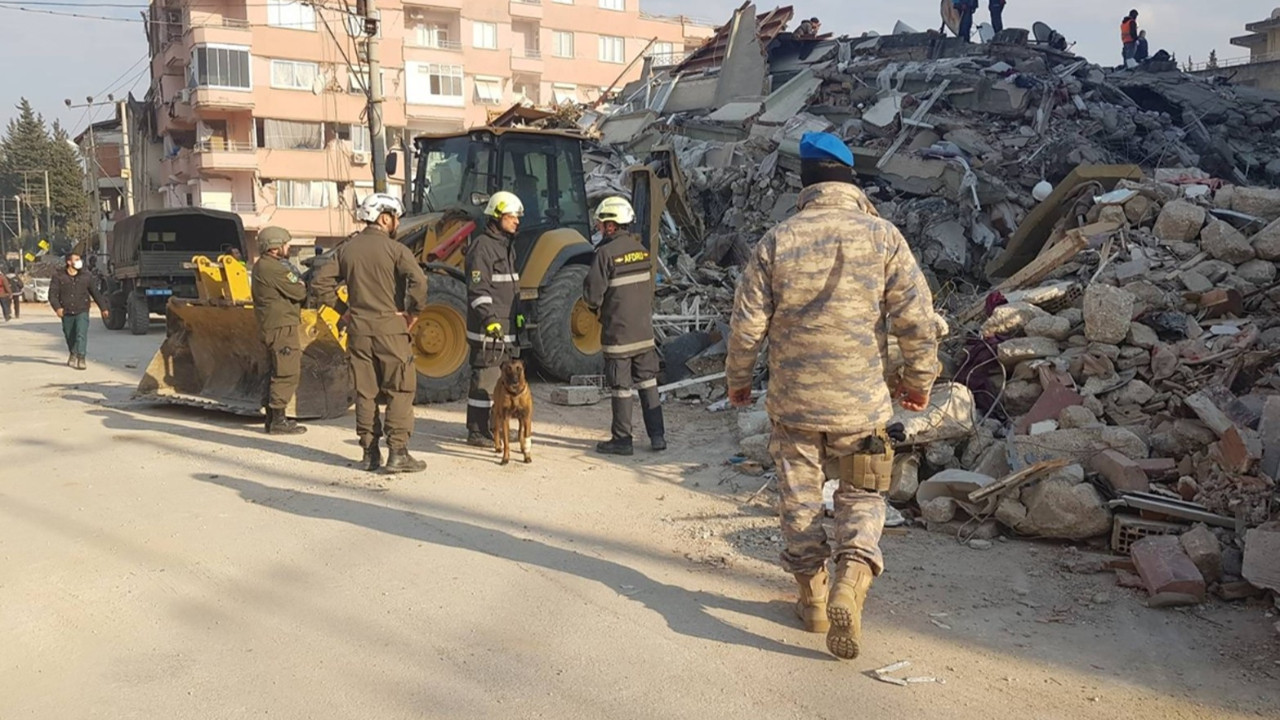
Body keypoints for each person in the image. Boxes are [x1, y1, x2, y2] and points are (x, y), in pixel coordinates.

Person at [725, 132, 941, 661]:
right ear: (849, 180)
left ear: (806, 184)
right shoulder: (884, 237)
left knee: (799, 500)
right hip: (860, 403)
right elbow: (916, 317)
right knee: (863, 495)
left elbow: (747, 324)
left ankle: (813, 599)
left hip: (795, 405)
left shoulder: (777, 240)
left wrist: (738, 379)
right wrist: (919, 381)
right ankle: (852, 578)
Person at [313, 193, 429, 474]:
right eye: (395, 218)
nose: (397, 223)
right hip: (391, 329)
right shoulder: (396, 250)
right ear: (384, 218)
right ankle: (398, 453)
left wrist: (343, 310)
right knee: (400, 390)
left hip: (358, 331)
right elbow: (419, 281)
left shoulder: (346, 250)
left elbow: (319, 283)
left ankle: (369, 454)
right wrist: (412, 313)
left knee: (365, 393)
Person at [583, 196, 666, 456]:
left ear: (611, 226)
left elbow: (592, 296)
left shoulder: (605, 254)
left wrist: (595, 308)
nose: (599, 228)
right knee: (648, 382)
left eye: (601, 224)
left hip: (618, 334)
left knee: (621, 388)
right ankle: (658, 436)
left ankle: (622, 440)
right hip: (644, 333)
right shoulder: (641, 251)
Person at [464, 190, 523, 447]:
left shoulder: (505, 246)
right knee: (485, 382)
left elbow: (509, 287)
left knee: (500, 383)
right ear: (497, 216)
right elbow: (479, 290)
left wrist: (518, 316)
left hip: (505, 327)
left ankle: (494, 426)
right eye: (512, 217)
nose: (517, 221)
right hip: (488, 331)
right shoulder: (483, 247)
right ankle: (477, 431)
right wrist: (490, 320)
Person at [251, 226, 308, 436]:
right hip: (281, 326)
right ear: (275, 247)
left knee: (274, 371)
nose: (289, 247)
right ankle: (278, 420)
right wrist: (301, 283)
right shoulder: (274, 269)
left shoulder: (261, 266)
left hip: (271, 325)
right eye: (286, 244)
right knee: (287, 371)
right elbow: (300, 292)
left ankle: (272, 418)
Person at [49, 252, 110, 369]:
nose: (79, 261)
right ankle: (73, 353)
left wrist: (103, 308)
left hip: (82, 310)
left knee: (81, 334)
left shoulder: (86, 277)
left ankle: (81, 358)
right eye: (76, 259)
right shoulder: (59, 277)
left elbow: (95, 293)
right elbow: (52, 295)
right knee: (69, 334)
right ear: (69, 262)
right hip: (66, 311)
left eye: (79, 259)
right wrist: (57, 308)